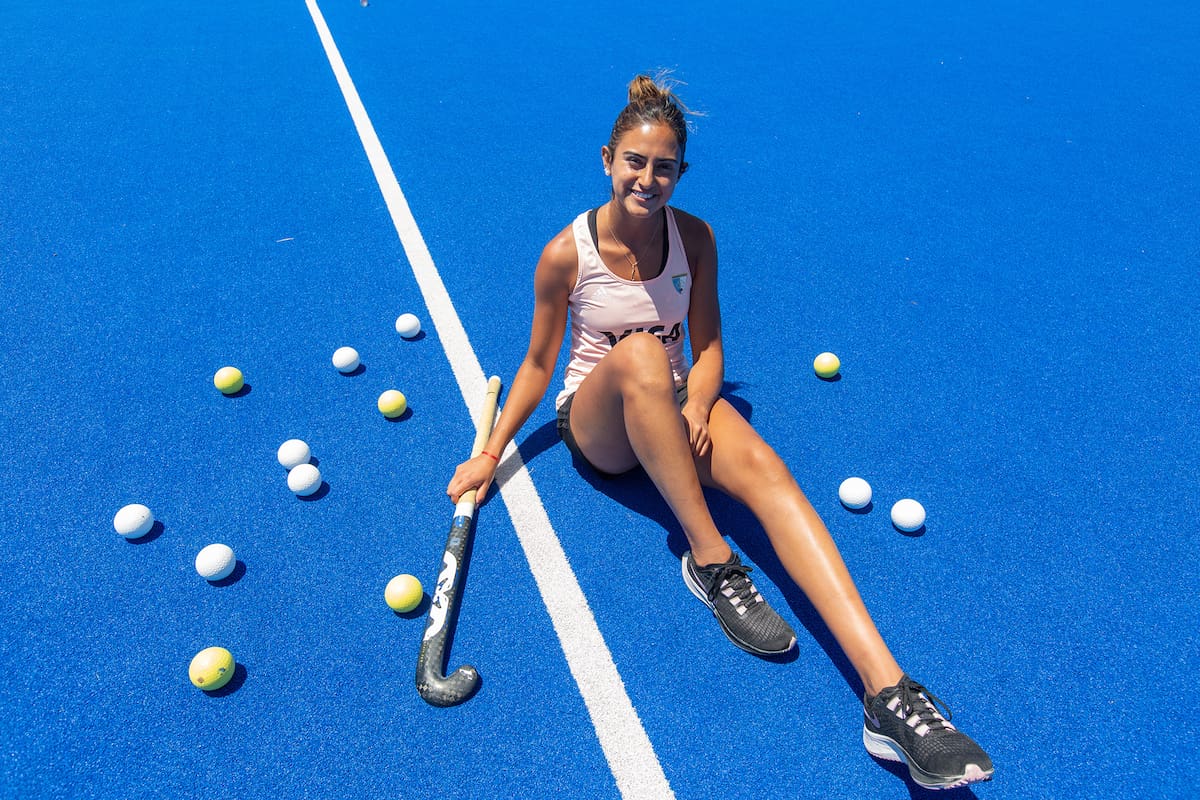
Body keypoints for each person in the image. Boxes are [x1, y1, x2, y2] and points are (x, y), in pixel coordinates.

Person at [447, 74, 993, 791]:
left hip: (676, 400)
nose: (647, 180)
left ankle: (888, 695)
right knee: (640, 353)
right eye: (634, 162)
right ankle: (710, 558)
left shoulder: (696, 238)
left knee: (769, 474)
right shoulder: (565, 255)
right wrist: (491, 452)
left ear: (681, 173)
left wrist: (701, 404)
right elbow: (539, 365)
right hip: (599, 422)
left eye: (664, 167)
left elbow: (707, 347)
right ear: (607, 160)